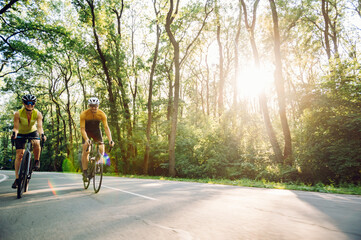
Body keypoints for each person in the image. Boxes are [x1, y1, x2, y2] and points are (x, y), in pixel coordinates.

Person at [11, 94, 46, 189]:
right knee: (19, 154)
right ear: (24, 103)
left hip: (32, 131)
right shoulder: (18, 113)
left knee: (36, 143)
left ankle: (36, 161)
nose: (29, 105)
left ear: (34, 104)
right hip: (21, 132)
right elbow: (16, 127)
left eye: (32, 103)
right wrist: (14, 133)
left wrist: (42, 134)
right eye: (27, 103)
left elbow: (39, 127)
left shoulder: (38, 113)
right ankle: (17, 179)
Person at [80, 97, 114, 181]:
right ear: (89, 106)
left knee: (102, 149)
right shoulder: (84, 114)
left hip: (96, 132)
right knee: (86, 150)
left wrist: (110, 140)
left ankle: (96, 163)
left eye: (95, 106)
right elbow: (82, 129)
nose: (93, 108)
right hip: (86, 131)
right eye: (92, 106)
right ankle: (84, 172)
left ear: (98, 106)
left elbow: (106, 127)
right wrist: (86, 139)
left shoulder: (101, 114)